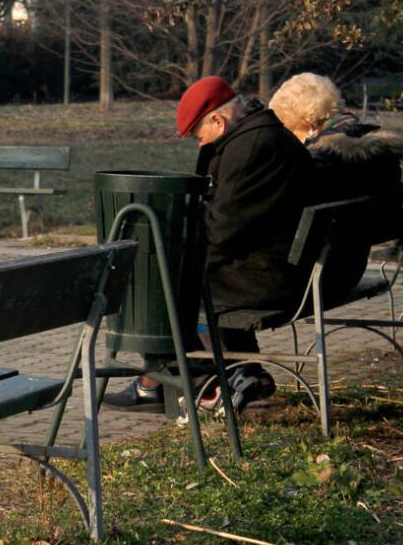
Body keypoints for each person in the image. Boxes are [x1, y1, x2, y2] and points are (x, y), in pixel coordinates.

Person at [105, 75, 314, 412]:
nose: (199, 145)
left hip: (266, 278)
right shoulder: (262, 137)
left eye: (198, 135)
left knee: (158, 284)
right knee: (171, 275)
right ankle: (237, 370)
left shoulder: (252, 149)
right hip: (278, 265)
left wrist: (175, 259)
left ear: (219, 119)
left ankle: (178, 381)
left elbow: (222, 232)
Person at [268, 72, 403, 301]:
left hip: (312, 279)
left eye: (290, 131)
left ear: (308, 124)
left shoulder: (323, 162)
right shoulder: (378, 154)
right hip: (349, 269)